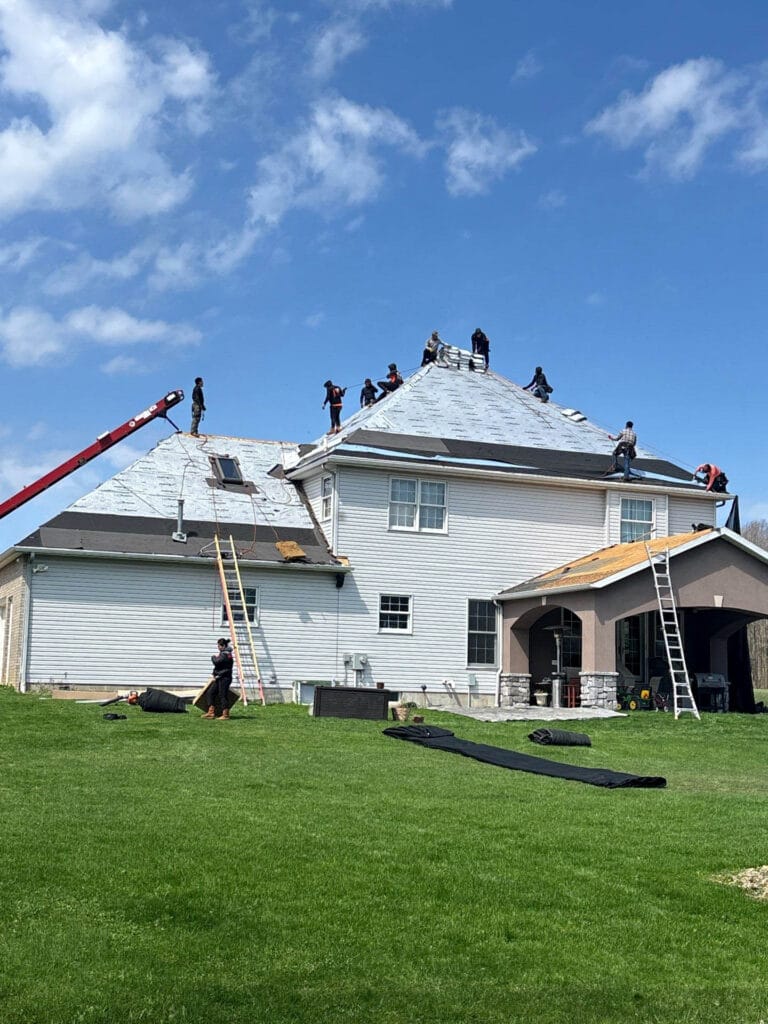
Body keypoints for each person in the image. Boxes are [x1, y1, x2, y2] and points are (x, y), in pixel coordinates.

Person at [202, 638, 234, 720]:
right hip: (219, 677)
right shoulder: (224, 653)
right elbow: (219, 666)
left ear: (223, 646)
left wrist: (213, 657)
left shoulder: (226, 654)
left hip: (225, 678)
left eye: (219, 645)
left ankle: (225, 714)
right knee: (210, 692)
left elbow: (216, 662)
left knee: (222, 695)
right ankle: (211, 712)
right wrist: (214, 674)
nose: (218, 647)